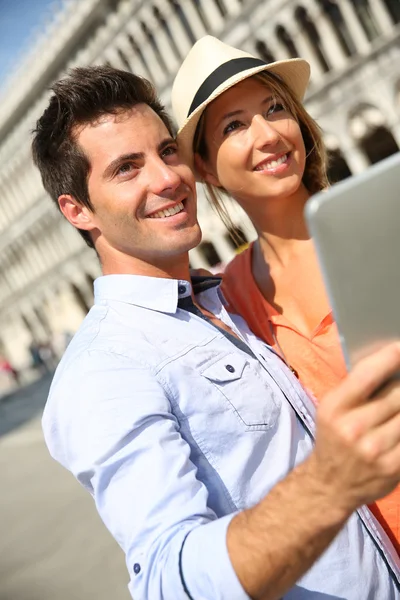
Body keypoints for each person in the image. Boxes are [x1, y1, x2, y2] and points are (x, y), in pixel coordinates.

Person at [32, 65, 400, 600]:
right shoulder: (104, 369)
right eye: (127, 169)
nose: (164, 179)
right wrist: (331, 482)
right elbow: (166, 581)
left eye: (166, 151)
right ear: (77, 210)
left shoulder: (221, 299)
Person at [172, 35, 400, 555]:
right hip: (374, 562)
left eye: (276, 108)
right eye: (234, 125)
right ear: (205, 167)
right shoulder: (226, 300)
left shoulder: (386, 220)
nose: (268, 133)